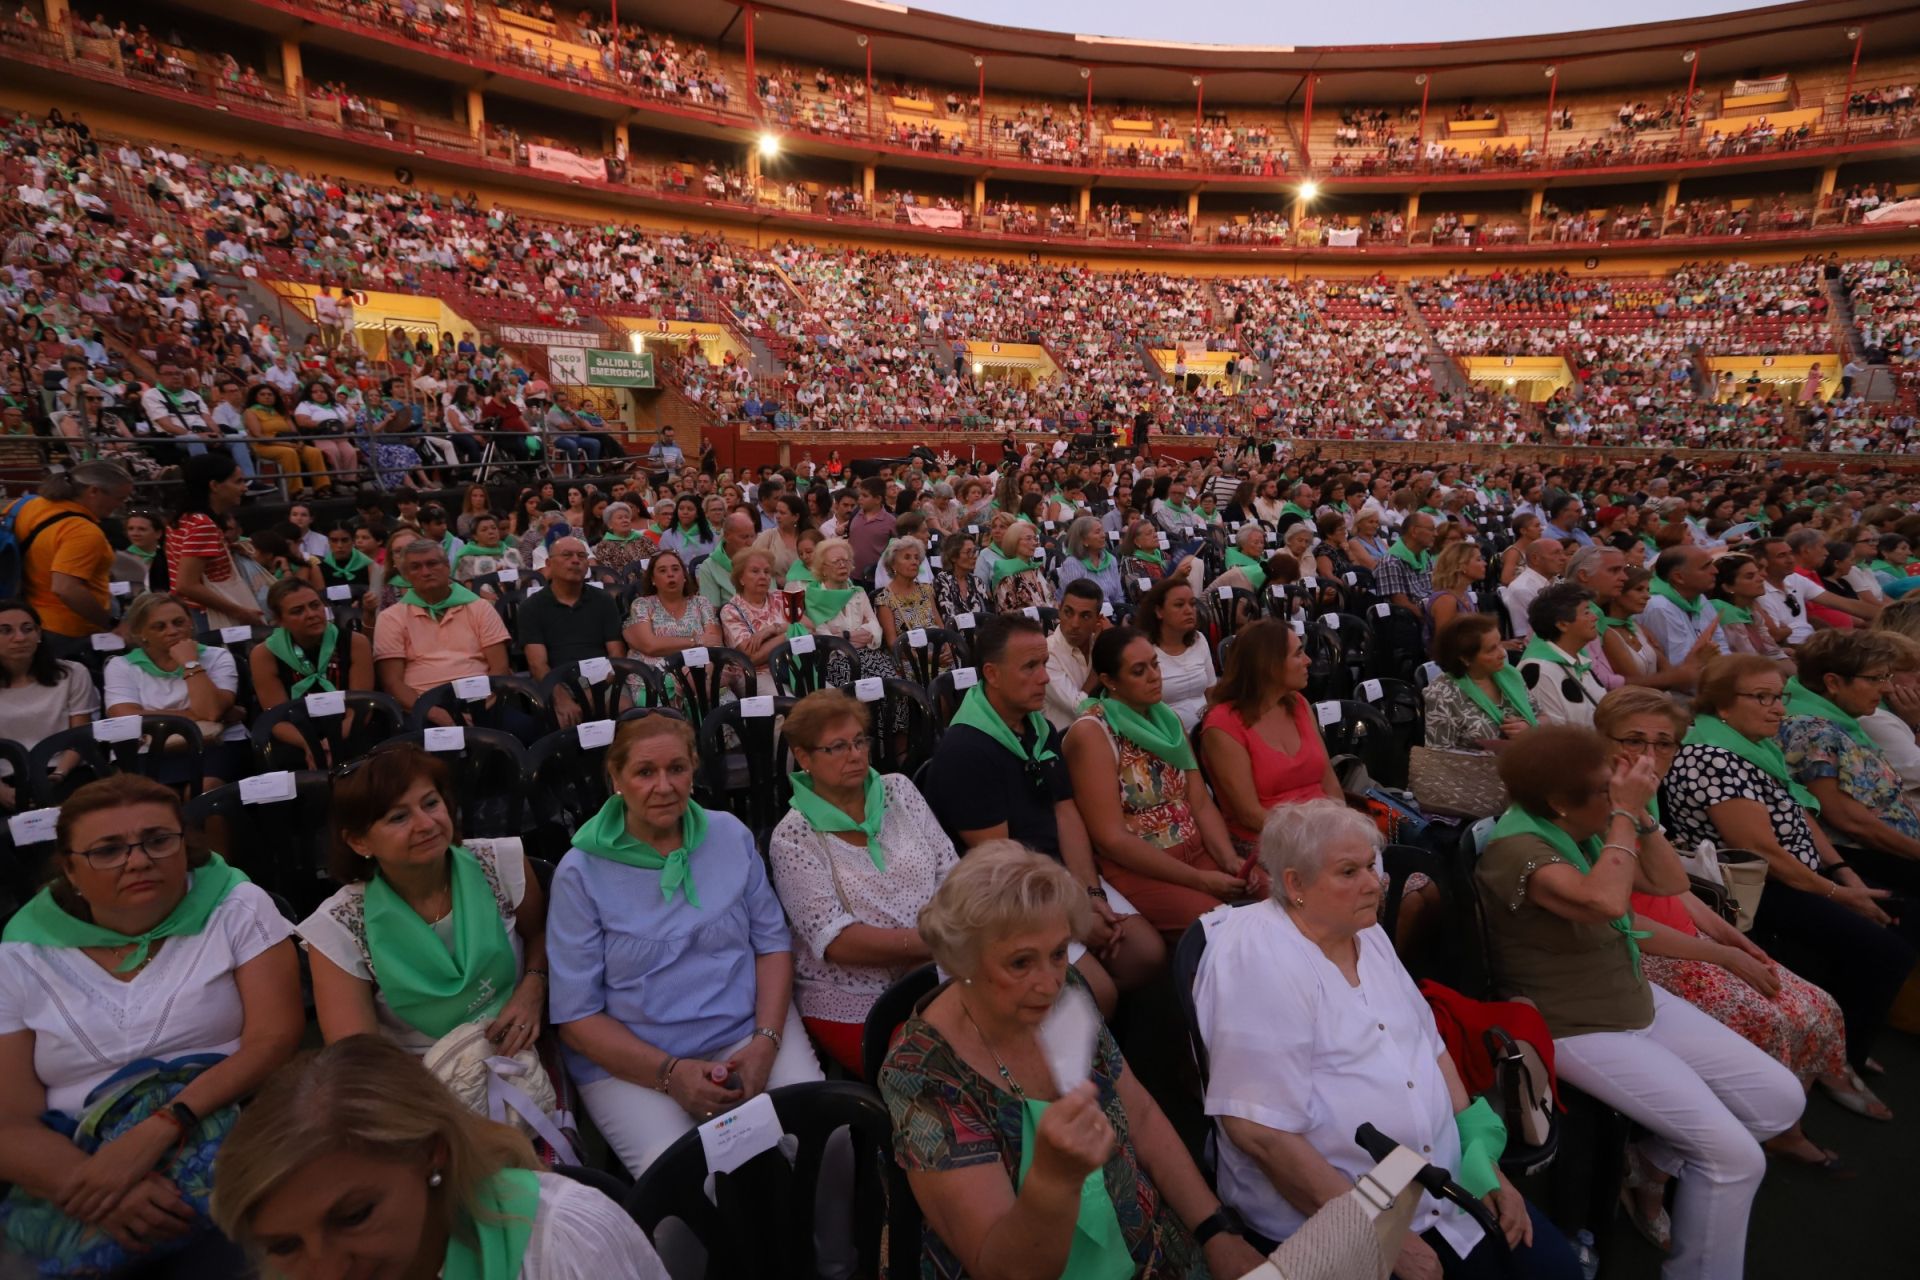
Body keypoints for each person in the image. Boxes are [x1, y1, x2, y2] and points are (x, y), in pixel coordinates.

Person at [1198, 799, 1580, 1279]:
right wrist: (1375, 1235)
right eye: (1348, 871)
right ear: (1294, 884)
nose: (1374, 883)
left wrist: (1486, 1168)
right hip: (1341, 1211)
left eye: (1371, 866)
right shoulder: (1257, 960)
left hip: (1438, 1182)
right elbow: (1260, 1132)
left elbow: (1431, 1050)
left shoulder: (1365, 932)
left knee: (1556, 1270)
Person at [1477, 725, 1804, 1280]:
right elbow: (1605, 902)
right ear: (1559, 802)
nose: (1615, 799)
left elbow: (1669, 881)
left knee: (1779, 1101)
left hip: (1630, 998)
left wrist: (1640, 813)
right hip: (1575, 1025)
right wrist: (1625, 814)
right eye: (1605, 791)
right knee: (1734, 1159)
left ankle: (1649, 1163)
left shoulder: (1581, 828)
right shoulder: (1519, 850)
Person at [878, 842, 1265, 1280]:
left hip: (1146, 1244)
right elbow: (1002, 1269)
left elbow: (1141, 1116)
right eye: (1021, 962)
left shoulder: (1068, 994)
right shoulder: (923, 1072)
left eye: (1059, 953)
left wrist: (1217, 1232)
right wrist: (1053, 1179)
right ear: (961, 958)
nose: (1049, 983)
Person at [0, 776, 301, 1276]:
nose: (138, 861)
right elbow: (9, 1122)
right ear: (69, 868)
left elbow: (275, 1039)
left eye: (158, 841)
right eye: (107, 850)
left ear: (185, 845)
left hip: (226, 1133)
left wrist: (160, 1129)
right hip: (77, 1160)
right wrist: (102, 1187)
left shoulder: (234, 904)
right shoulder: (21, 951)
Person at [1595, 688, 1877, 1197]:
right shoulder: (1594, 802)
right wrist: (1720, 952)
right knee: (1763, 1018)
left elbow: (1677, 893)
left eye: (1664, 744)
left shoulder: (1644, 795)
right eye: (1633, 740)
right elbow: (1615, 914)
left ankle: (1774, 1128)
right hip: (1633, 947)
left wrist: (1733, 938)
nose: (1649, 755)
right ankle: (1653, 1171)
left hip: (1680, 931)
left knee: (1815, 1005)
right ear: (1601, 741)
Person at [547, 715, 824, 1176]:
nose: (664, 786)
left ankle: (828, 1251)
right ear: (615, 778)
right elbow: (577, 1019)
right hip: (636, 1060)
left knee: (822, 1141)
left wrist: (765, 1042)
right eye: (644, 772)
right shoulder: (581, 872)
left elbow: (772, 945)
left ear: (694, 768)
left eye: (676, 768)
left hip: (746, 1028)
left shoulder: (728, 834)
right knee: (685, 1186)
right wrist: (670, 1075)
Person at [209, 1035, 667, 1279]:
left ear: (434, 1153)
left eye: (354, 1216)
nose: (327, 1271)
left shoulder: (561, 1245)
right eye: (284, 1246)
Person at [1659, 655, 1918, 1079]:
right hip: (1759, 888)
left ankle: (1846, 1035)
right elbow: (1762, 851)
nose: (1778, 708)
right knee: (1888, 950)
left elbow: (1801, 816)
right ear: (1722, 705)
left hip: (1804, 873)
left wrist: (1841, 873)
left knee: (1904, 917)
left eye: (1778, 697)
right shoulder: (1711, 756)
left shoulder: (1755, 745)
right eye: (1762, 697)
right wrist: (1839, 894)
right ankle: (1837, 1063)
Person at [922, 613, 1163, 1010]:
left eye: (1044, 665)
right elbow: (1001, 862)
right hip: (1006, 896)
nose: (1045, 679)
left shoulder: (1039, 728)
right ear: (992, 674)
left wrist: (1090, 892)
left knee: (1146, 956)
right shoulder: (966, 752)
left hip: (1057, 876)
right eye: (1030, 667)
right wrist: (1075, 914)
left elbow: (1066, 812)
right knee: (1100, 993)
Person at [299, 745, 549, 1064]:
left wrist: (534, 985)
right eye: (398, 817)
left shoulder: (501, 862)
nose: (426, 824)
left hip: (520, 1041)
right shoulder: (337, 928)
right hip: (418, 1072)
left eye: (431, 803)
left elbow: (539, 935)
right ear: (359, 841)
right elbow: (361, 1060)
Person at [767, 689, 958, 1075]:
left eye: (858, 741)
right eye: (836, 747)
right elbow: (835, 940)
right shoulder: (794, 837)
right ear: (804, 758)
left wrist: (937, 947)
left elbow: (950, 872)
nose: (854, 755)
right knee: (935, 1066)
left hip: (939, 963)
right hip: (853, 995)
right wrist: (925, 945)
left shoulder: (898, 790)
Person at [1066, 626, 1259, 937]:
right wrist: (1200, 880)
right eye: (1138, 671)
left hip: (1197, 853)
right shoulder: (1093, 733)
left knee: (1273, 897)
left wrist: (1229, 860)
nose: (1154, 676)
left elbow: (1198, 801)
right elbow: (1111, 839)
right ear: (1109, 681)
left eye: (1155, 665)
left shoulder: (1167, 720)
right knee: (1227, 928)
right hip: (1142, 869)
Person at [1779, 631, 1920, 879]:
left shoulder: (1835, 721)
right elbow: (1848, 819)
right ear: (1833, 683)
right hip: (1869, 863)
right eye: (1875, 678)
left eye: (1886, 677)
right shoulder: (1813, 730)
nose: (1887, 688)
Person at [1201, 619, 1343, 861]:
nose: (1308, 661)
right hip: (1270, 842)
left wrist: (1343, 826)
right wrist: (1315, 837)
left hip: (1324, 834)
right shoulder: (1222, 725)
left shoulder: (1298, 703)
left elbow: (1330, 782)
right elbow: (1249, 814)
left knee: (1416, 889)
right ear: (1269, 665)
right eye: (1298, 654)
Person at [103, 592, 248, 789]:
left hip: (214, 744)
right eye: (159, 627)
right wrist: (192, 715)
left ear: (191, 623)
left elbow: (210, 711)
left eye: (179, 622)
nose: (172, 631)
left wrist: (190, 663)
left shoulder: (217, 656)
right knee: (148, 797)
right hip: (147, 749)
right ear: (141, 633)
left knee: (206, 788)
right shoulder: (120, 666)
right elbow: (126, 716)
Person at [373, 540, 512, 717]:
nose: (426, 572)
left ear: (447, 566)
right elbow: (393, 682)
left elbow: (499, 666)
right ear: (406, 576)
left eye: (432, 564)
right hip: (424, 706)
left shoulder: (480, 608)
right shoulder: (390, 618)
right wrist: (430, 712)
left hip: (482, 701)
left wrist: (481, 707)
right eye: (415, 567)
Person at [250, 579, 375, 762]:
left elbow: (361, 708)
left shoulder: (356, 642)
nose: (311, 614)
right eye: (297, 611)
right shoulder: (264, 654)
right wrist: (312, 746)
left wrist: (332, 743)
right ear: (279, 620)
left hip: (350, 726)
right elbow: (277, 718)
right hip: (295, 735)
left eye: (315, 605)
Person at [16, 459, 132, 641]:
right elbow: (66, 588)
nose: (121, 505)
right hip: (69, 630)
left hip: (31, 617)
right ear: (94, 491)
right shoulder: (82, 532)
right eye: (119, 498)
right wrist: (111, 623)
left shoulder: (28, 505)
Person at [518, 537, 625, 722]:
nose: (575, 560)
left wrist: (594, 694)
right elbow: (537, 664)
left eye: (582, 556)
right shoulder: (531, 607)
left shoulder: (604, 600)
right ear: (549, 564)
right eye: (567, 555)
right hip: (559, 682)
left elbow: (616, 654)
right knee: (562, 720)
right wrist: (561, 698)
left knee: (626, 711)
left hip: (602, 680)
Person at [0, 600, 99, 795]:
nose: (19, 638)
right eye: (5, 631)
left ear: (38, 634)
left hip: (66, 771)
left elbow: (80, 738)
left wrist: (58, 775)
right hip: (6, 778)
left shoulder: (73, 673)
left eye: (28, 629)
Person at [167, 454, 264, 628]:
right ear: (214, 485)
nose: (244, 488)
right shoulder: (203, 524)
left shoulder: (184, 518)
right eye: (238, 482)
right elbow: (186, 585)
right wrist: (240, 612)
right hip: (206, 616)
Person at [1423, 613, 1536, 749]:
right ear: (1465, 658)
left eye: (1500, 644)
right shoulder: (1441, 695)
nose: (1502, 653)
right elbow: (1438, 756)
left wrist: (1528, 727)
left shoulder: (1510, 675)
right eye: (1492, 649)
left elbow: (1541, 715)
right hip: (1476, 768)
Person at [804, 537, 897, 688]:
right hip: (836, 663)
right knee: (861, 692)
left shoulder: (858, 592)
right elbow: (829, 644)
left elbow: (876, 632)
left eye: (846, 561)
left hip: (871, 655)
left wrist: (842, 635)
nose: (842, 565)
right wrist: (858, 634)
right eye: (836, 561)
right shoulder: (814, 598)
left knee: (894, 690)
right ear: (823, 569)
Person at [1516, 583, 1609, 729]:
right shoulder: (1539, 670)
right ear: (1563, 625)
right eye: (1586, 612)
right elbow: (1555, 733)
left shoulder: (1580, 661)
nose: (1595, 617)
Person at [1138, 576, 1215, 731]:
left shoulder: (1199, 640)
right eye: (1179, 605)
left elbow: (1211, 692)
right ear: (1159, 611)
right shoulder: (1143, 650)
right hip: (1167, 736)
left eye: (1192, 604)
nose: (1189, 610)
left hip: (1205, 730)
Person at [719, 547, 789, 697]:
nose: (763, 576)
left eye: (767, 571)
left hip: (793, 667)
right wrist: (789, 634)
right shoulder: (732, 610)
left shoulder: (780, 597)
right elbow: (752, 658)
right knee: (789, 704)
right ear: (741, 578)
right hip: (756, 675)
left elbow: (809, 626)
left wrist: (772, 630)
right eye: (755, 571)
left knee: (830, 699)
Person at [243, 383, 328, 497]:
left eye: (270, 394)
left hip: (289, 443)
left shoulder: (281, 412)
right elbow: (259, 436)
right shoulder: (250, 412)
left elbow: (295, 432)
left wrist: (300, 442)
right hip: (264, 446)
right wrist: (287, 444)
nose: (267, 397)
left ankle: (321, 488)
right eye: (262, 394)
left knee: (314, 452)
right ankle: (296, 491)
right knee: (289, 453)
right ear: (256, 397)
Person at [1044, 579, 1106, 731]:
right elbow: (1081, 709)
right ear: (1059, 610)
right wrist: (1102, 658)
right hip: (1064, 742)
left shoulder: (1098, 642)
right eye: (1068, 612)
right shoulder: (1045, 652)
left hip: (1104, 734)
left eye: (1085, 616)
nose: (1074, 624)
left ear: (1098, 620)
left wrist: (1112, 642)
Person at [1709, 553, 1792, 667]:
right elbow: (1750, 661)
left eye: (1758, 573)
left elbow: (1772, 650)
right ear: (1728, 587)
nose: (1761, 578)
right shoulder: (1724, 611)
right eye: (1750, 576)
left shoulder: (1749, 608)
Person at [875, 535, 944, 653]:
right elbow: (892, 644)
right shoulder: (884, 599)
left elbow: (940, 626)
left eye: (916, 558)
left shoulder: (926, 590)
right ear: (893, 565)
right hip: (910, 659)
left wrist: (947, 649)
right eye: (907, 557)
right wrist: (927, 659)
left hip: (938, 651)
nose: (914, 562)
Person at [1500, 539, 1565, 642]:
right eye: (1556, 553)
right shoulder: (1522, 589)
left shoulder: (1556, 582)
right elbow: (1525, 635)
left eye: (1563, 553)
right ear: (1535, 559)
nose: (1563, 558)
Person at [1375, 512, 1436, 612]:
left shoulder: (1425, 556)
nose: (1435, 534)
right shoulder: (1390, 562)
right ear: (1415, 531)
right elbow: (1402, 605)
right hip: (1411, 621)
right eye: (1431, 529)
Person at [1056, 515, 1124, 604]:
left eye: (1102, 531)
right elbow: (1072, 601)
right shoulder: (1072, 564)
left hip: (1111, 614)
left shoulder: (1111, 560)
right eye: (1097, 532)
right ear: (1084, 540)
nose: (1103, 535)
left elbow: (1118, 596)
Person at [695, 511, 755, 609]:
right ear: (727, 536)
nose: (750, 543)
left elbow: (772, 602)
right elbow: (711, 612)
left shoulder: (762, 561)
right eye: (744, 537)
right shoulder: (708, 567)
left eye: (752, 536)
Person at [992, 520, 1051, 613]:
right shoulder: (1006, 573)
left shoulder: (1035, 568)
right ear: (1014, 541)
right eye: (1028, 539)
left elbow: (1051, 599)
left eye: (1035, 539)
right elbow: (1007, 612)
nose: (1034, 543)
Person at [932, 530, 990, 622]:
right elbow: (947, 617)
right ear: (953, 557)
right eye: (968, 552)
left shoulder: (976, 581)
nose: (974, 556)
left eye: (975, 551)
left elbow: (986, 615)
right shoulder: (942, 580)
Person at [848, 476, 897, 582]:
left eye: (865, 496)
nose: (860, 498)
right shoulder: (856, 515)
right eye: (859, 495)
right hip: (852, 575)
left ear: (878, 499)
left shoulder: (890, 521)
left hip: (877, 578)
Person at [592, 502, 651, 580]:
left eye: (627, 517)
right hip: (622, 587)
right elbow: (607, 573)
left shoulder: (643, 539)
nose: (625, 520)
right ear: (610, 525)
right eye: (620, 518)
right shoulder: (604, 546)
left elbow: (656, 560)